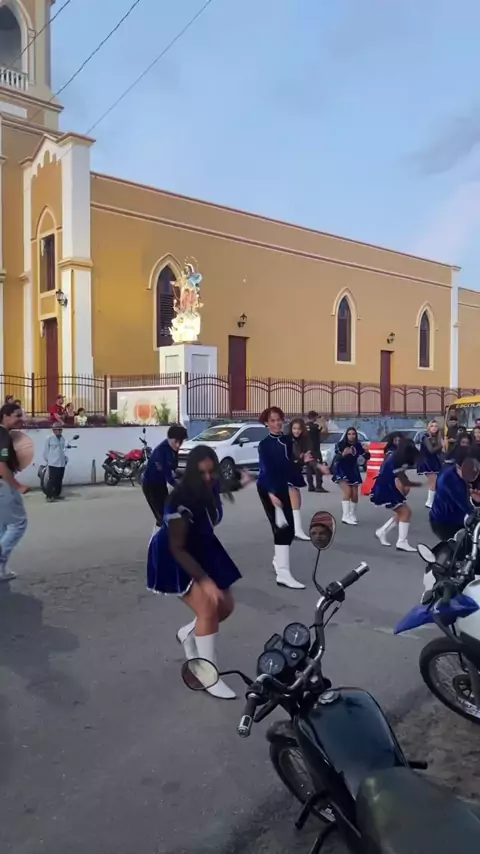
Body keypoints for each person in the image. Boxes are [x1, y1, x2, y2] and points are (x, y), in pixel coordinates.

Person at [147, 445, 249, 700]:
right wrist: (204, 581)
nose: (208, 477)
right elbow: (177, 548)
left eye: (211, 472)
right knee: (208, 609)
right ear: (192, 472)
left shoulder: (211, 484)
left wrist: (241, 481)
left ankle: (189, 634)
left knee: (226, 607)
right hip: (175, 552)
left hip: (203, 545)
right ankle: (208, 674)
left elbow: (223, 484)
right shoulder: (179, 501)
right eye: (202, 473)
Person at [257, 406, 311, 589]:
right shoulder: (265, 445)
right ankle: (283, 573)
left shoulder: (287, 440)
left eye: (279, 419)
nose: (277, 423)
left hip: (281, 486)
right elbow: (266, 470)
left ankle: (278, 559)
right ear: (266, 423)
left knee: (290, 529)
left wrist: (302, 461)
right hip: (268, 488)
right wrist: (271, 493)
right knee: (281, 529)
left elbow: (288, 465)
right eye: (272, 420)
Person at [371, 438, 419, 551]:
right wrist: (420, 485)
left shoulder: (397, 457)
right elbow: (403, 480)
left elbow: (402, 477)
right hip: (386, 488)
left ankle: (382, 531)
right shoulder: (395, 460)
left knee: (401, 513)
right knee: (405, 512)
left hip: (387, 486)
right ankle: (401, 542)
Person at [0, 402, 29, 581]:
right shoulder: (3, 435)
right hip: (3, 485)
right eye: (17, 415)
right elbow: (1, 465)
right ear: (6, 416)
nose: (21, 419)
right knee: (18, 523)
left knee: (3, 526)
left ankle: (1, 569)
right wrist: (17, 486)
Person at [430, 446, 480, 541]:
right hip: (446, 522)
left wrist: (476, 501)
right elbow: (466, 505)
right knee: (459, 546)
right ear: (458, 466)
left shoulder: (474, 474)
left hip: (463, 519)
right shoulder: (448, 479)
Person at [142, 424, 188, 528]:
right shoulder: (161, 452)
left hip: (161, 484)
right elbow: (168, 475)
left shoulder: (173, 449)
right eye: (175, 442)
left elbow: (174, 468)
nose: (178, 445)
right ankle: (158, 536)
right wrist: (180, 487)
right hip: (150, 486)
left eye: (180, 442)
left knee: (167, 511)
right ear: (169, 438)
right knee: (162, 517)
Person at [331, 427, 370, 525]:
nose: (351, 436)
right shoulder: (340, 445)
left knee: (355, 494)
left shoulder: (358, 445)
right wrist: (343, 454)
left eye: (353, 434)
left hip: (353, 470)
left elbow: (366, 457)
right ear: (346, 435)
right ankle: (345, 516)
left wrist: (366, 451)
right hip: (341, 469)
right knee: (347, 491)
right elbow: (336, 458)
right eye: (349, 434)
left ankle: (352, 514)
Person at [288, 418, 313, 540]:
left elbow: (306, 457)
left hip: (295, 471)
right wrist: (302, 459)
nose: (296, 431)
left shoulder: (303, 441)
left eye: (298, 429)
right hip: (287, 472)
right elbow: (291, 459)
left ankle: (294, 529)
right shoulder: (289, 441)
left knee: (295, 500)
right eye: (294, 428)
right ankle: (296, 530)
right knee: (294, 500)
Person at [417, 420, 443, 509]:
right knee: (433, 482)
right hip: (426, 462)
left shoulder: (437, 437)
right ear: (429, 427)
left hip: (434, 462)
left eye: (436, 426)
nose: (434, 428)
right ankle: (429, 502)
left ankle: (433, 501)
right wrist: (441, 445)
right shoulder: (425, 437)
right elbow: (431, 450)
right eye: (432, 426)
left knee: (436, 482)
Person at [305, 411, 328, 493]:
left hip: (307, 450)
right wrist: (323, 421)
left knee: (308, 468)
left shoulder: (304, 426)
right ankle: (319, 486)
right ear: (314, 417)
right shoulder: (315, 426)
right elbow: (325, 431)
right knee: (318, 468)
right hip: (315, 450)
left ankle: (310, 486)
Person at [43, 425, 68, 501]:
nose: (60, 431)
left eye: (61, 429)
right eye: (58, 429)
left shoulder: (62, 438)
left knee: (59, 479)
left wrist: (65, 458)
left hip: (61, 462)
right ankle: (49, 496)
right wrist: (48, 460)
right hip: (53, 462)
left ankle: (57, 494)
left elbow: (63, 450)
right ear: (54, 430)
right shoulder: (49, 438)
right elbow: (46, 451)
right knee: (52, 480)